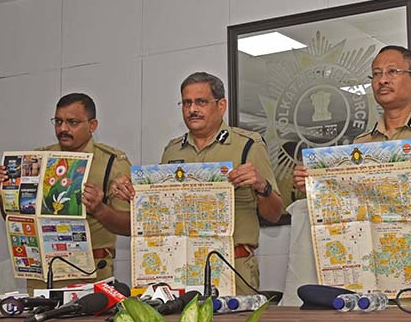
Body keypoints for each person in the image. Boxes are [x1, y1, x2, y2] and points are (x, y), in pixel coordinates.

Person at [294, 45, 411, 296]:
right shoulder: (361, 144)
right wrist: (314, 184)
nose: (382, 80)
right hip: (364, 267)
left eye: (392, 71)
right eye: (376, 74)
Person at [109, 72, 282, 295]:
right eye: (186, 103)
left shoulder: (248, 145)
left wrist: (262, 186)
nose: (192, 109)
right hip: (178, 268)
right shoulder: (172, 150)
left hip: (232, 267)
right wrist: (133, 194)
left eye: (200, 102)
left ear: (221, 106)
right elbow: (162, 213)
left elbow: (275, 214)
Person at [0, 93, 131, 290]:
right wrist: (3, 195)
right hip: (44, 274)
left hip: (91, 274)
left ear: (92, 125)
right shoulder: (38, 159)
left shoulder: (112, 163)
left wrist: (99, 209)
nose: (63, 129)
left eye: (72, 122)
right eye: (58, 121)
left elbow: (129, 225)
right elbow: (17, 219)